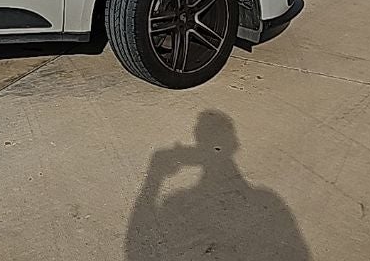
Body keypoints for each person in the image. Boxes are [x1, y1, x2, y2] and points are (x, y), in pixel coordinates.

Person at [125, 110, 310, 260]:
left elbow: (134, 250)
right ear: (234, 144)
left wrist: (154, 176)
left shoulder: (175, 203)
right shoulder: (267, 199)